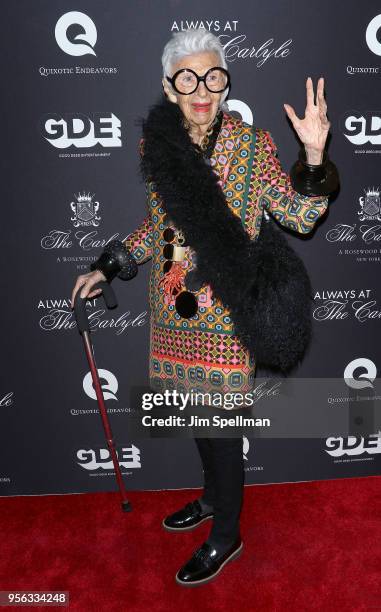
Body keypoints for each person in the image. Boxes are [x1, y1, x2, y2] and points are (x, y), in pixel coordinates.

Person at [71, 28, 334, 586]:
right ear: (170, 88)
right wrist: (108, 265)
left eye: (213, 77)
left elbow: (299, 215)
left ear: (224, 83)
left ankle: (227, 534)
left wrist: (313, 155)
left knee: (220, 428)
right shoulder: (156, 147)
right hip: (170, 312)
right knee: (195, 421)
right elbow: (156, 226)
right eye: (188, 77)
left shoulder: (251, 144)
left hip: (227, 314)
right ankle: (213, 499)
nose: (202, 88)